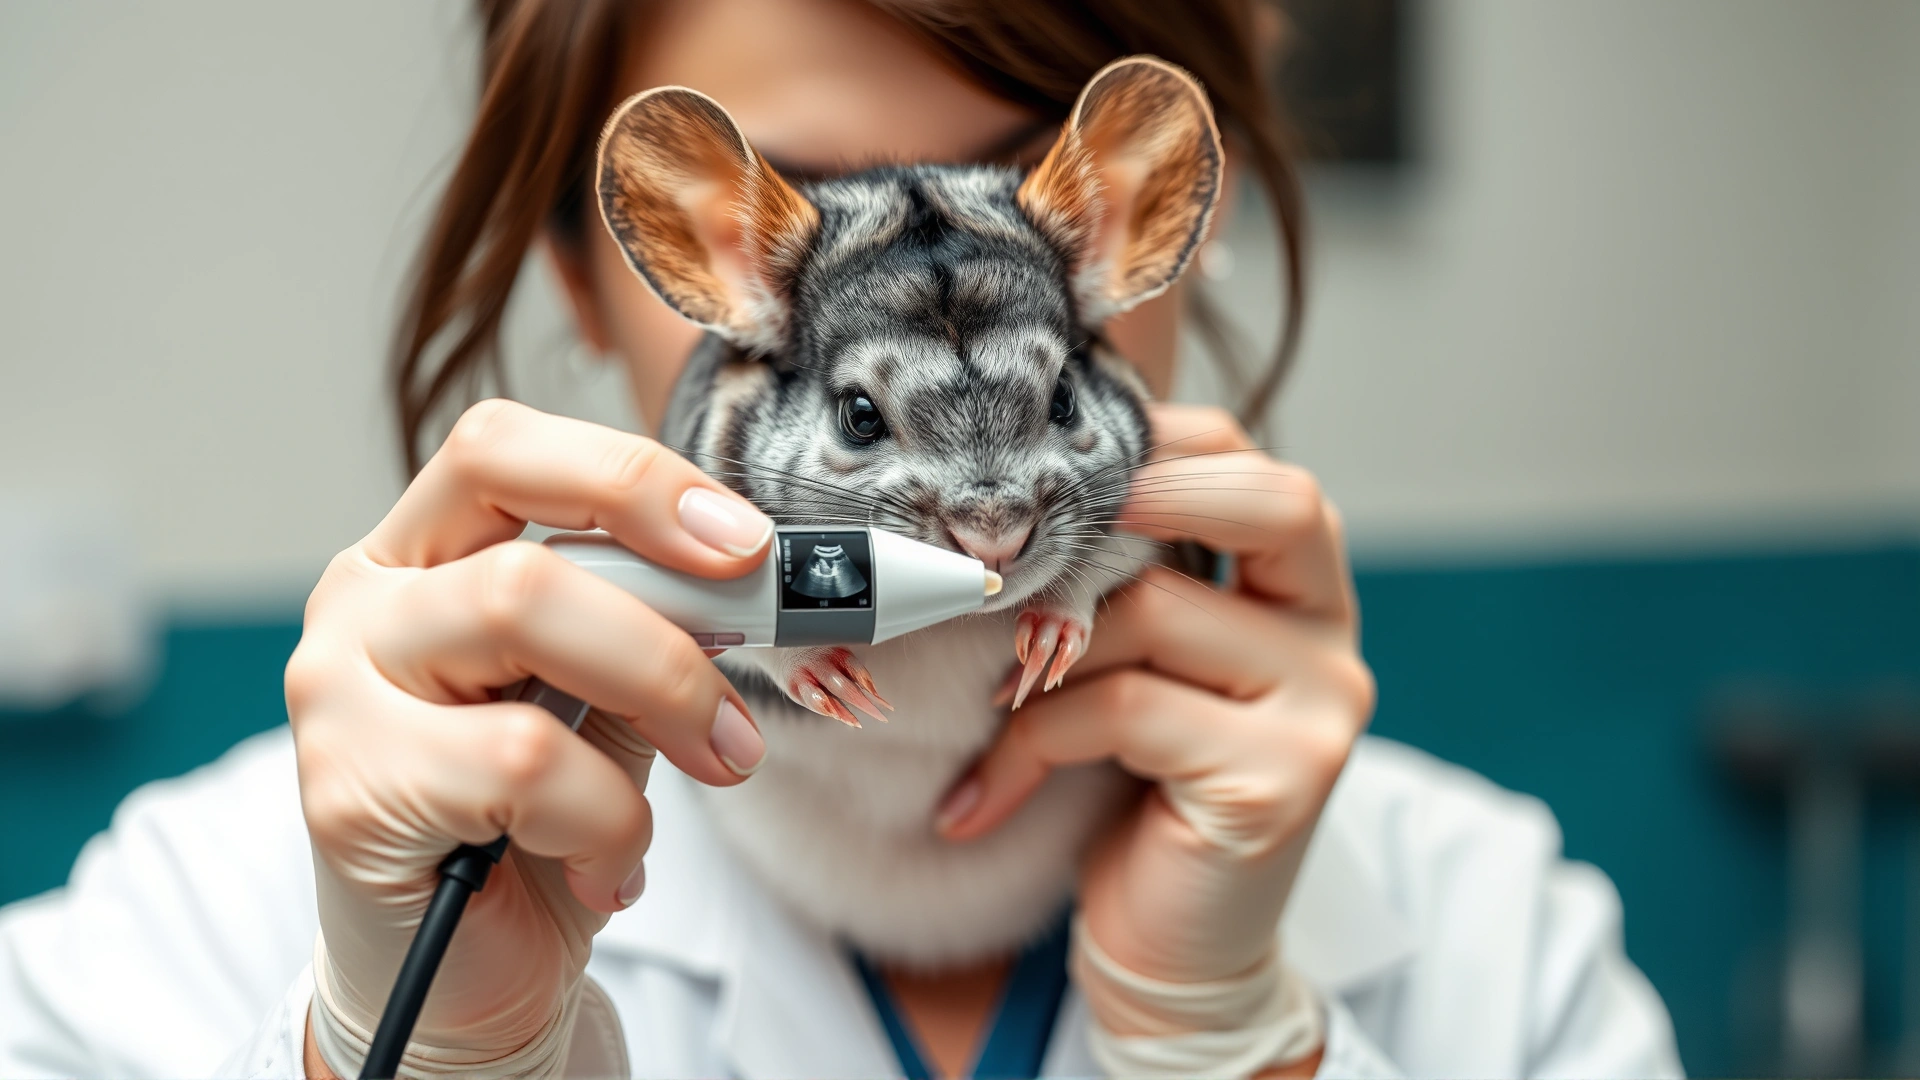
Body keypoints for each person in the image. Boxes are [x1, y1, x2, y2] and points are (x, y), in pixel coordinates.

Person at [0, 0, 1684, 1077]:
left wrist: (1237, 1043)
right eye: (831, 224)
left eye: (1020, 213)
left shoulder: (1498, 943)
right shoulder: (199, 918)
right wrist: (410, 1049)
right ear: (612, 271)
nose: (981, 512)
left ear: (1158, 230)